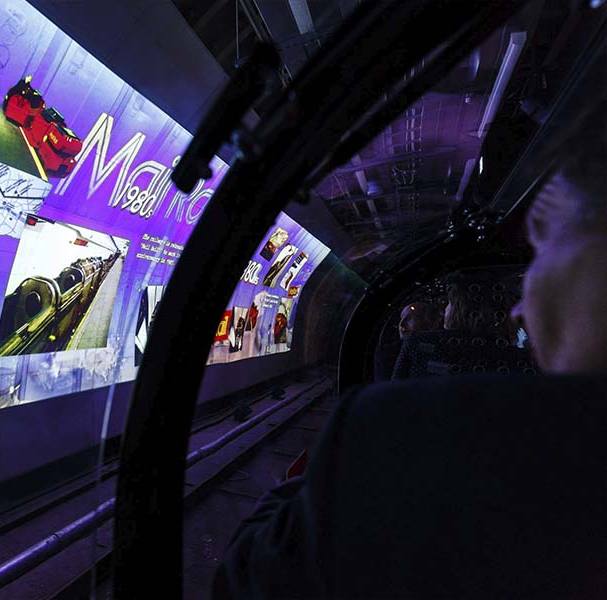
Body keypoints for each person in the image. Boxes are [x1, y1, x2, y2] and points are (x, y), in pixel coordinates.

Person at [212, 98, 607, 597]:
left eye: (543, 252)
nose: (519, 310)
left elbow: (247, 578)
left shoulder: (398, 429)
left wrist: (332, 466)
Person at [374, 301, 441, 380]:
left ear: (431, 324)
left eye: (410, 318)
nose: (401, 324)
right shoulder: (387, 353)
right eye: (401, 318)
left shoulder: (443, 349)